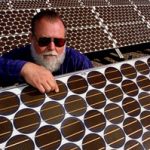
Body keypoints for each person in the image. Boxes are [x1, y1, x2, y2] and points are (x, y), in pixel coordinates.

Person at [1, 9, 93, 93]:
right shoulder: (19, 56)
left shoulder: (78, 62)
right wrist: (23, 68)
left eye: (59, 41)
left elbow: (94, 84)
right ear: (32, 39)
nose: (52, 47)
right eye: (44, 41)